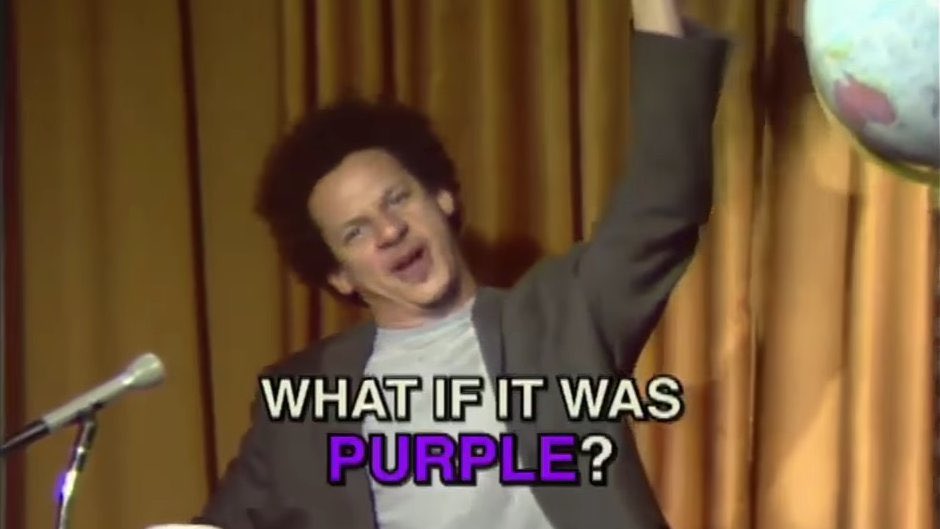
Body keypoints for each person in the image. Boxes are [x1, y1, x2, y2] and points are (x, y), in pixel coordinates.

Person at [189, 2, 729, 528]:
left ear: (442, 197)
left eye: (398, 199)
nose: (390, 231)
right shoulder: (301, 401)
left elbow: (665, 195)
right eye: (356, 232)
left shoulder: (560, 318)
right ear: (338, 274)